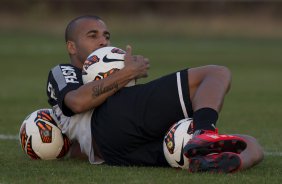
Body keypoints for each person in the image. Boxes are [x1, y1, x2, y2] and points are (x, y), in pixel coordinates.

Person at [46, 15, 263, 173]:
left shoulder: (107, 75)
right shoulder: (64, 71)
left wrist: (124, 77)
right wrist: (127, 73)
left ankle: (219, 163)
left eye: (106, 36)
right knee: (216, 73)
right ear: (71, 47)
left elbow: (78, 147)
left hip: (116, 154)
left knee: (249, 143)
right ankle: (204, 131)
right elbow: (76, 102)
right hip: (110, 121)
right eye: (92, 36)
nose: (103, 41)